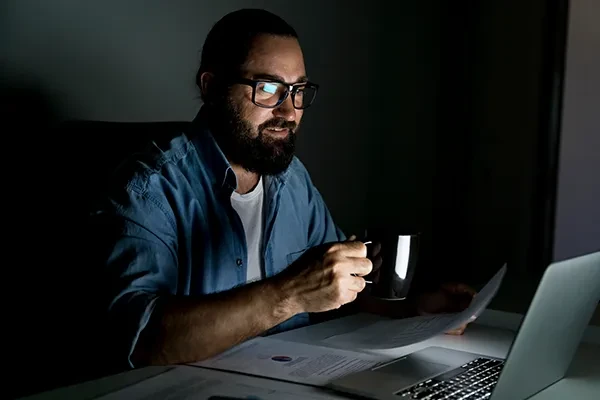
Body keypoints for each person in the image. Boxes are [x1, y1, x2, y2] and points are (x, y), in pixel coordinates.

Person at [90, 8, 476, 370]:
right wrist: (288, 294)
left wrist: (417, 310)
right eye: (268, 89)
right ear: (211, 86)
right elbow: (139, 343)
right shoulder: (148, 187)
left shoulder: (291, 180)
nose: (289, 112)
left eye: (298, 91)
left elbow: (335, 296)